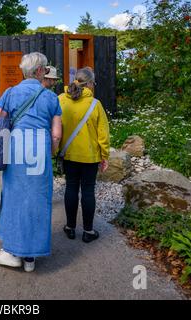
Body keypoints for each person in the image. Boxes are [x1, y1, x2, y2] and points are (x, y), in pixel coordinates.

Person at [0, 52, 63, 272]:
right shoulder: (50, 98)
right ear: (38, 71)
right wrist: (50, 152)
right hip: (40, 155)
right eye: (45, 69)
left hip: (16, 152)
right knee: (38, 201)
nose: (46, 72)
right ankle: (30, 259)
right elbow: (56, 135)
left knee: (14, 199)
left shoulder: (10, 93)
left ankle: (11, 253)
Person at [58, 67, 110, 243]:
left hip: (69, 154)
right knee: (88, 191)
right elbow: (103, 133)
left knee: (71, 188)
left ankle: (70, 227)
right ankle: (88, 231)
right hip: (89, 156)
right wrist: (105, 155)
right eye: (93, 83)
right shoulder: (95, 104)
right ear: (88, 83)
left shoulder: (60, 100)